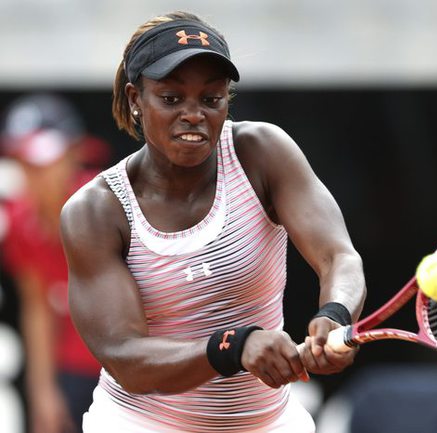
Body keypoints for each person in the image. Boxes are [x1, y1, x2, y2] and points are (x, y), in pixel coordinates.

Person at [60, 10, 366, 433]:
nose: (193, 114)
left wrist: (336, 314)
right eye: (171, 98)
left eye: (211, 98)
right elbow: (127, 359)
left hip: (270, 423)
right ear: (135, 99)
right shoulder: (96, 210)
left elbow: (339, 257)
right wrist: (232, 346)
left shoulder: (261, 152)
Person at [0, 94, 106, 433]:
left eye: (43, 162)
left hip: (132, 369)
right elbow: (37, 306)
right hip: (71, 368)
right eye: (24, 162)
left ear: (75, 154)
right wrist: (42, 392)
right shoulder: (19, 219)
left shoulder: (108, 205)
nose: (35, 175)